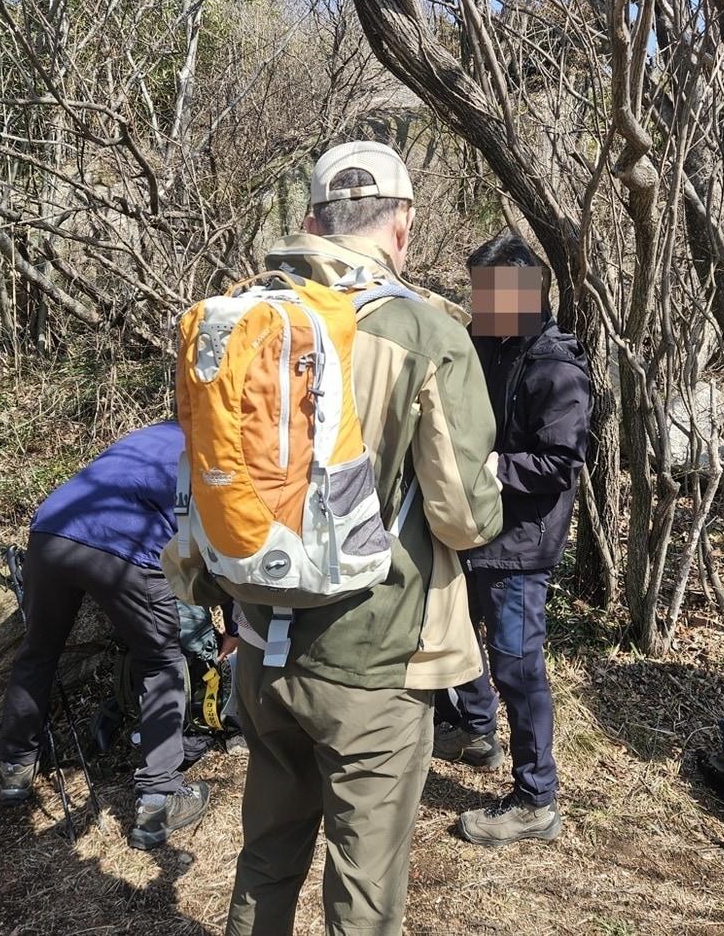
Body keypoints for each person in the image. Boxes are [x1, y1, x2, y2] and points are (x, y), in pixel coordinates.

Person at [164, 141, 504, 936]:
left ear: (311, 220)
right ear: (404, 226)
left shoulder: (241, 317)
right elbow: (464, 516)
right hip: (372, 665)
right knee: (364, 891)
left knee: (267, 858)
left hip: (259, 650)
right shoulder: (426, 331)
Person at [0, 421, 231, 850]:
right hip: (127, 549)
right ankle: (159, 797)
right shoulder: (219, 451)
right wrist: (232, 628)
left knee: (38, 652)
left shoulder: (150, 435)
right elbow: (227, 548)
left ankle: (15, 767)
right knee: (161, 661)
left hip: (51, 530)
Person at [432, 233, 591, 846]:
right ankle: (476, 730)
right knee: (452, 629)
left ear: (527, 294)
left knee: (517, 665)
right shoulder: (487, 341)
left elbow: (561, 464)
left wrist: (493, 466)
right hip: (473, 525)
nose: (480, 303)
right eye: (477, 292)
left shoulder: (554, 365)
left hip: (521, 540)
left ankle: (536, 799)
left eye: (490, 293)